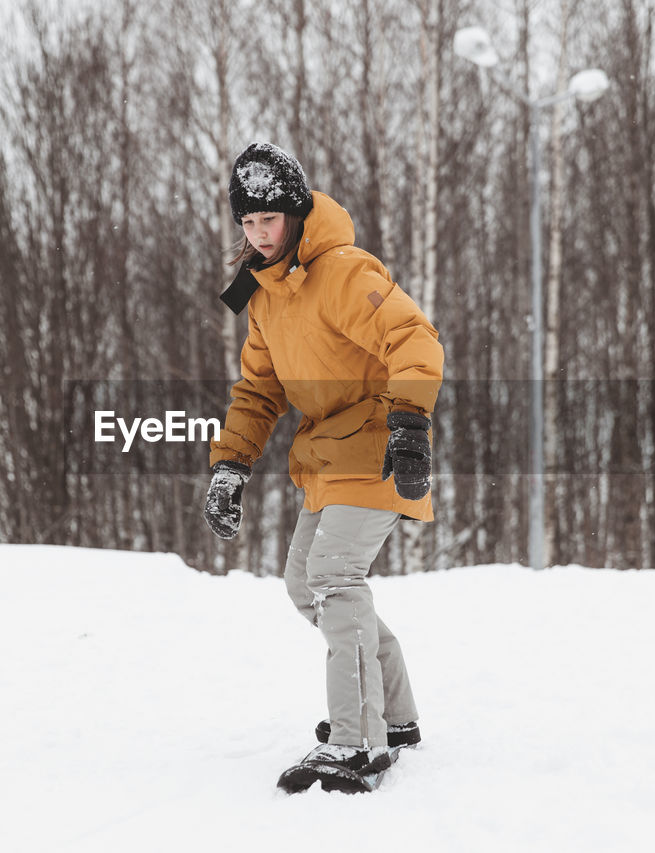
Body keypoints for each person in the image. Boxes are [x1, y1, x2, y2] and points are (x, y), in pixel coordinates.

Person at [204, 142, 444, 781]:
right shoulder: (263, 293)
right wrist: (231, 465)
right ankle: (392, 715)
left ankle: (357, 743)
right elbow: (258, 390)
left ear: (297, 212)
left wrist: (411, 425)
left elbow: (413, 337)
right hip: (327, 457)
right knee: (304, 585)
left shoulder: (342, 272)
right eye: (247, 223)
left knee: (335, 579)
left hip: (376, 446)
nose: (258, 235)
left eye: (269, 220)